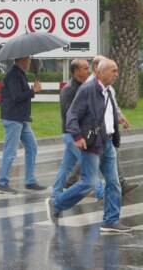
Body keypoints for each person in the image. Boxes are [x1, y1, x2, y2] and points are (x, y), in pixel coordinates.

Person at [46, 59, 130, 234]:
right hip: (92, 143)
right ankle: (56, 204)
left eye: (116, 70)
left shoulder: (107, 91)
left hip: (107, 142)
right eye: (113, 70)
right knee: (89, 182)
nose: (116, 74)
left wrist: (117, 124)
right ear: (100, 73)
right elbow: (72, 114)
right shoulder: (88, 89)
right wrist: (77, 136)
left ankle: (111, 221)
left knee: (114, 183)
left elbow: (108, 113)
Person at [50, 59, 105, 201]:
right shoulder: (69, 90)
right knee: (90, 164)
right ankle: (101, 193)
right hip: (73, 135)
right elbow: (71, 115)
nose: (89, 71)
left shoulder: (84, 87)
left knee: (66, 167)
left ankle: (56, 192)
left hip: (77, 135)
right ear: (76, 72)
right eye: (85, 68)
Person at [0, 55, 44, 193]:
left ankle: (30, 180)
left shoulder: (20, 74)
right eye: (27, 59)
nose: (29, 62)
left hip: (21, 118)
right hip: (13, 117)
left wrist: (31, 91)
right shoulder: (13, 75)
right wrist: (33, 91)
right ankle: (2, 183)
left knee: (32, 146)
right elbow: (17, 97)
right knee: (10, 151)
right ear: (22, 60)